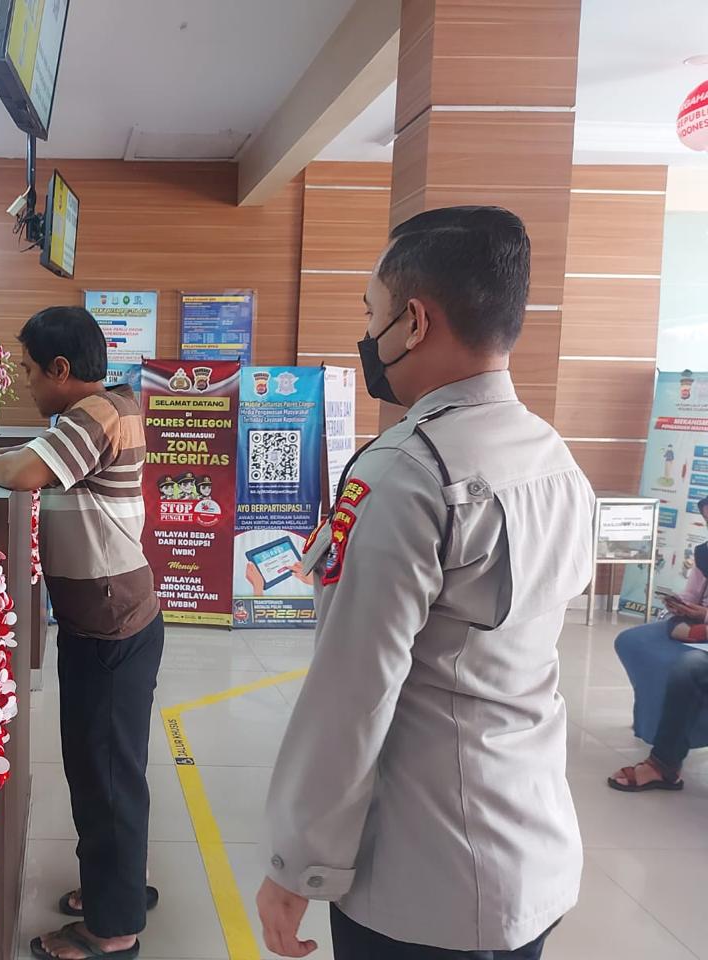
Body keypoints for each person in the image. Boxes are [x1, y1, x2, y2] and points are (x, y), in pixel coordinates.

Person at [256, 206, 595, 959]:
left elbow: (353, 692)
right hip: (532, 848)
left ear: (412, 322)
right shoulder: (553, 457)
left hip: (422, 877)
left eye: (371, 313)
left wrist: (297, 863)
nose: (368, 334)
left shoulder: (407, 470)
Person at [0, 306, 162, 960]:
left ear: (61, 369)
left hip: (109, 624)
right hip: (109, 618)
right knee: (108, 770)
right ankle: (116, 889)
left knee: (105, 776)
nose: (24, 382)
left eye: (28, 370)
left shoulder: (93, 414)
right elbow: (30, 461)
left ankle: (113, 930)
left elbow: (24, 472)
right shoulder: (107, 408)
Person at [608, 497, 708, 793]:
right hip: (696, 624)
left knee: (687, 667)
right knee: (632, 641)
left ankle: (664, 765)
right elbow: (692, 595)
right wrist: (680, 605)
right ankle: (648, 723)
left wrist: (703, 616)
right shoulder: (704, 553)